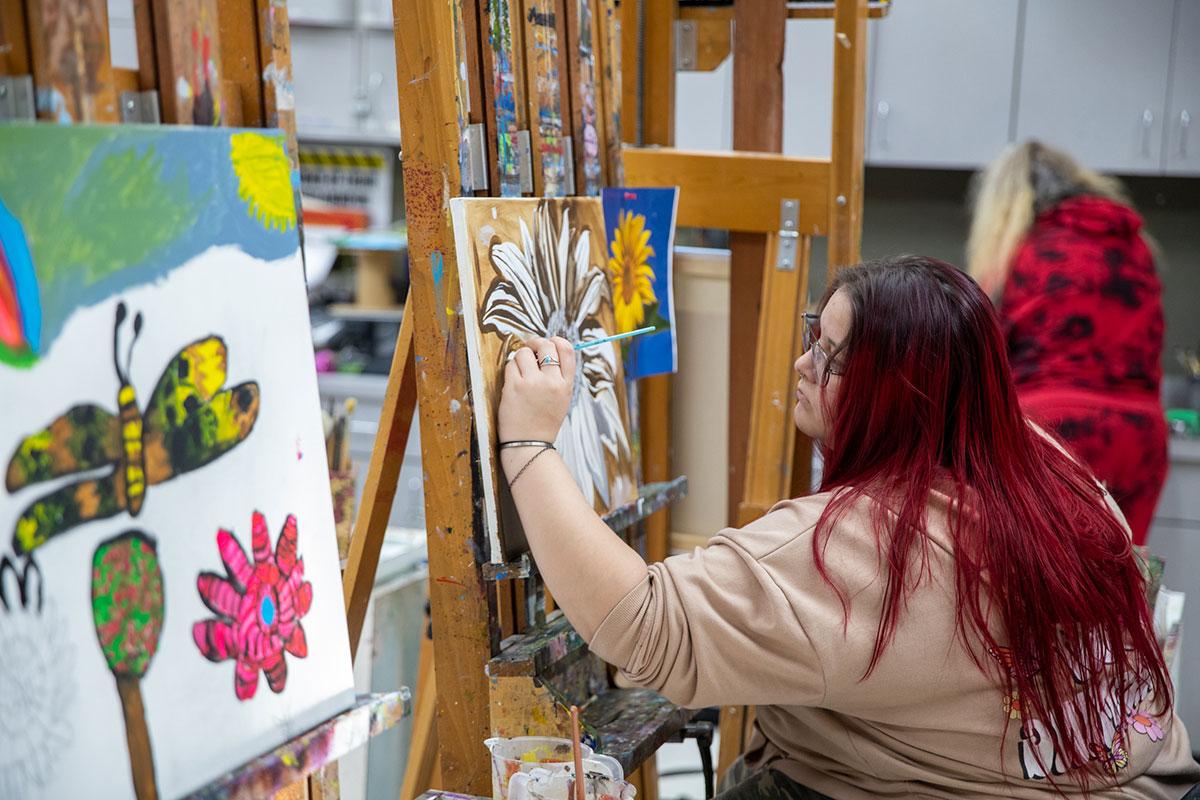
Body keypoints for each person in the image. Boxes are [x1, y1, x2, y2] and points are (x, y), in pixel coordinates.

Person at [496, 256, 1198, 799]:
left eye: (830, 358)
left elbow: (641, 625)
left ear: (903, 394)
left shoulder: (864, 548)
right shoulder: (1050, 466)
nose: (802, 365)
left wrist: (529, 444)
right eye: (813, 334)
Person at [967, 140, 1167, 545]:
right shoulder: (1134, 244)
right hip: (1140, 435)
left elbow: (986, 348)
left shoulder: (1018, 251)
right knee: (1121, 581)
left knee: (1040, 579)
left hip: (1050, 427)